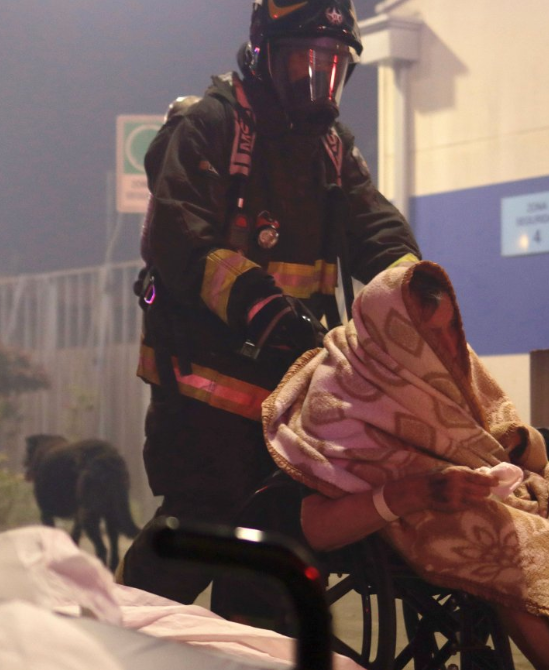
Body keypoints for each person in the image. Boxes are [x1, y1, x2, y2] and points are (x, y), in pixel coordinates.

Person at [119, 0, 421, 604]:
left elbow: (375, 230)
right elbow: (180, 240)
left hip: (293, 382)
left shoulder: (332, 148)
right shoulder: (205, 125)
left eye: (331, 66)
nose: (317, 81)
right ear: (262, 54)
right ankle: (112, 641)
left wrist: (414, 288)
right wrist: (263, 306)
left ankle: (256, 647)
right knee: (202, 520)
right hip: (204, 383)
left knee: (279, 537)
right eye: (304, 62)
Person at [264, 261, 549, 670]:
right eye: (431, 336)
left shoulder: (450, 360)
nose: (450, 347)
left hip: (487, 486)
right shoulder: (338, 397)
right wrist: (422, 491)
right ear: (396, 334)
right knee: (497, 526)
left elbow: (505, 441)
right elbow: (318, 526)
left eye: (452, 330)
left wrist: (529, 468)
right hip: (416, 511)